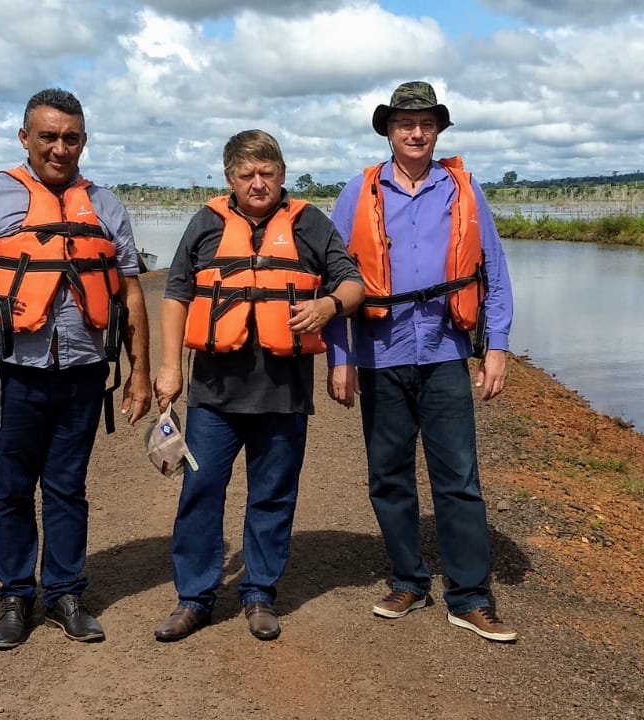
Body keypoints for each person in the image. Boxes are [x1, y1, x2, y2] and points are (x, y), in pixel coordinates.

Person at [0, 88, 152, 649]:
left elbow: (130, 292)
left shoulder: (108, 206)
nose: (60, 148)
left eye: (71, 138)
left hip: (84, 371)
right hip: (9, 371)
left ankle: (66, 591)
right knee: (13, 486)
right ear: (26, 138)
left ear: (84, 141)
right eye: (48, 136)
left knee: (68, 485)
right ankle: (16, 596)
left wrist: (140, 370)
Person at [324, 81, 517, 642]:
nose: (415, 133)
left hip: (445, 353)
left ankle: (470, 595)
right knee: (388, 476)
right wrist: (341, 357)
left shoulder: (463, 189)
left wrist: (496, 346)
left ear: (437, 131)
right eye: (405, 123)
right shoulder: (357, 193)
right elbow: (334, 279)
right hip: (379, 355)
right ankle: (408, 579)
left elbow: (495, 273)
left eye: (426, 124)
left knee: (458, 479)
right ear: (388, 129)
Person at [153, 129, 363, 642]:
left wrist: (327, 307)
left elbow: (353, 284)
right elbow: (178, 292)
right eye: (246, 175)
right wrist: (168, 366)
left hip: (283, 393)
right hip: (213, 396)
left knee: (272, 494)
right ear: (229, 180)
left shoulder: (311, 223)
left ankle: (259, 594)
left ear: (282, 175)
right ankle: (195, 598)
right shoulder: (205, 224)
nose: (258, 183)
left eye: (267, 173)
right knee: (200, 491)